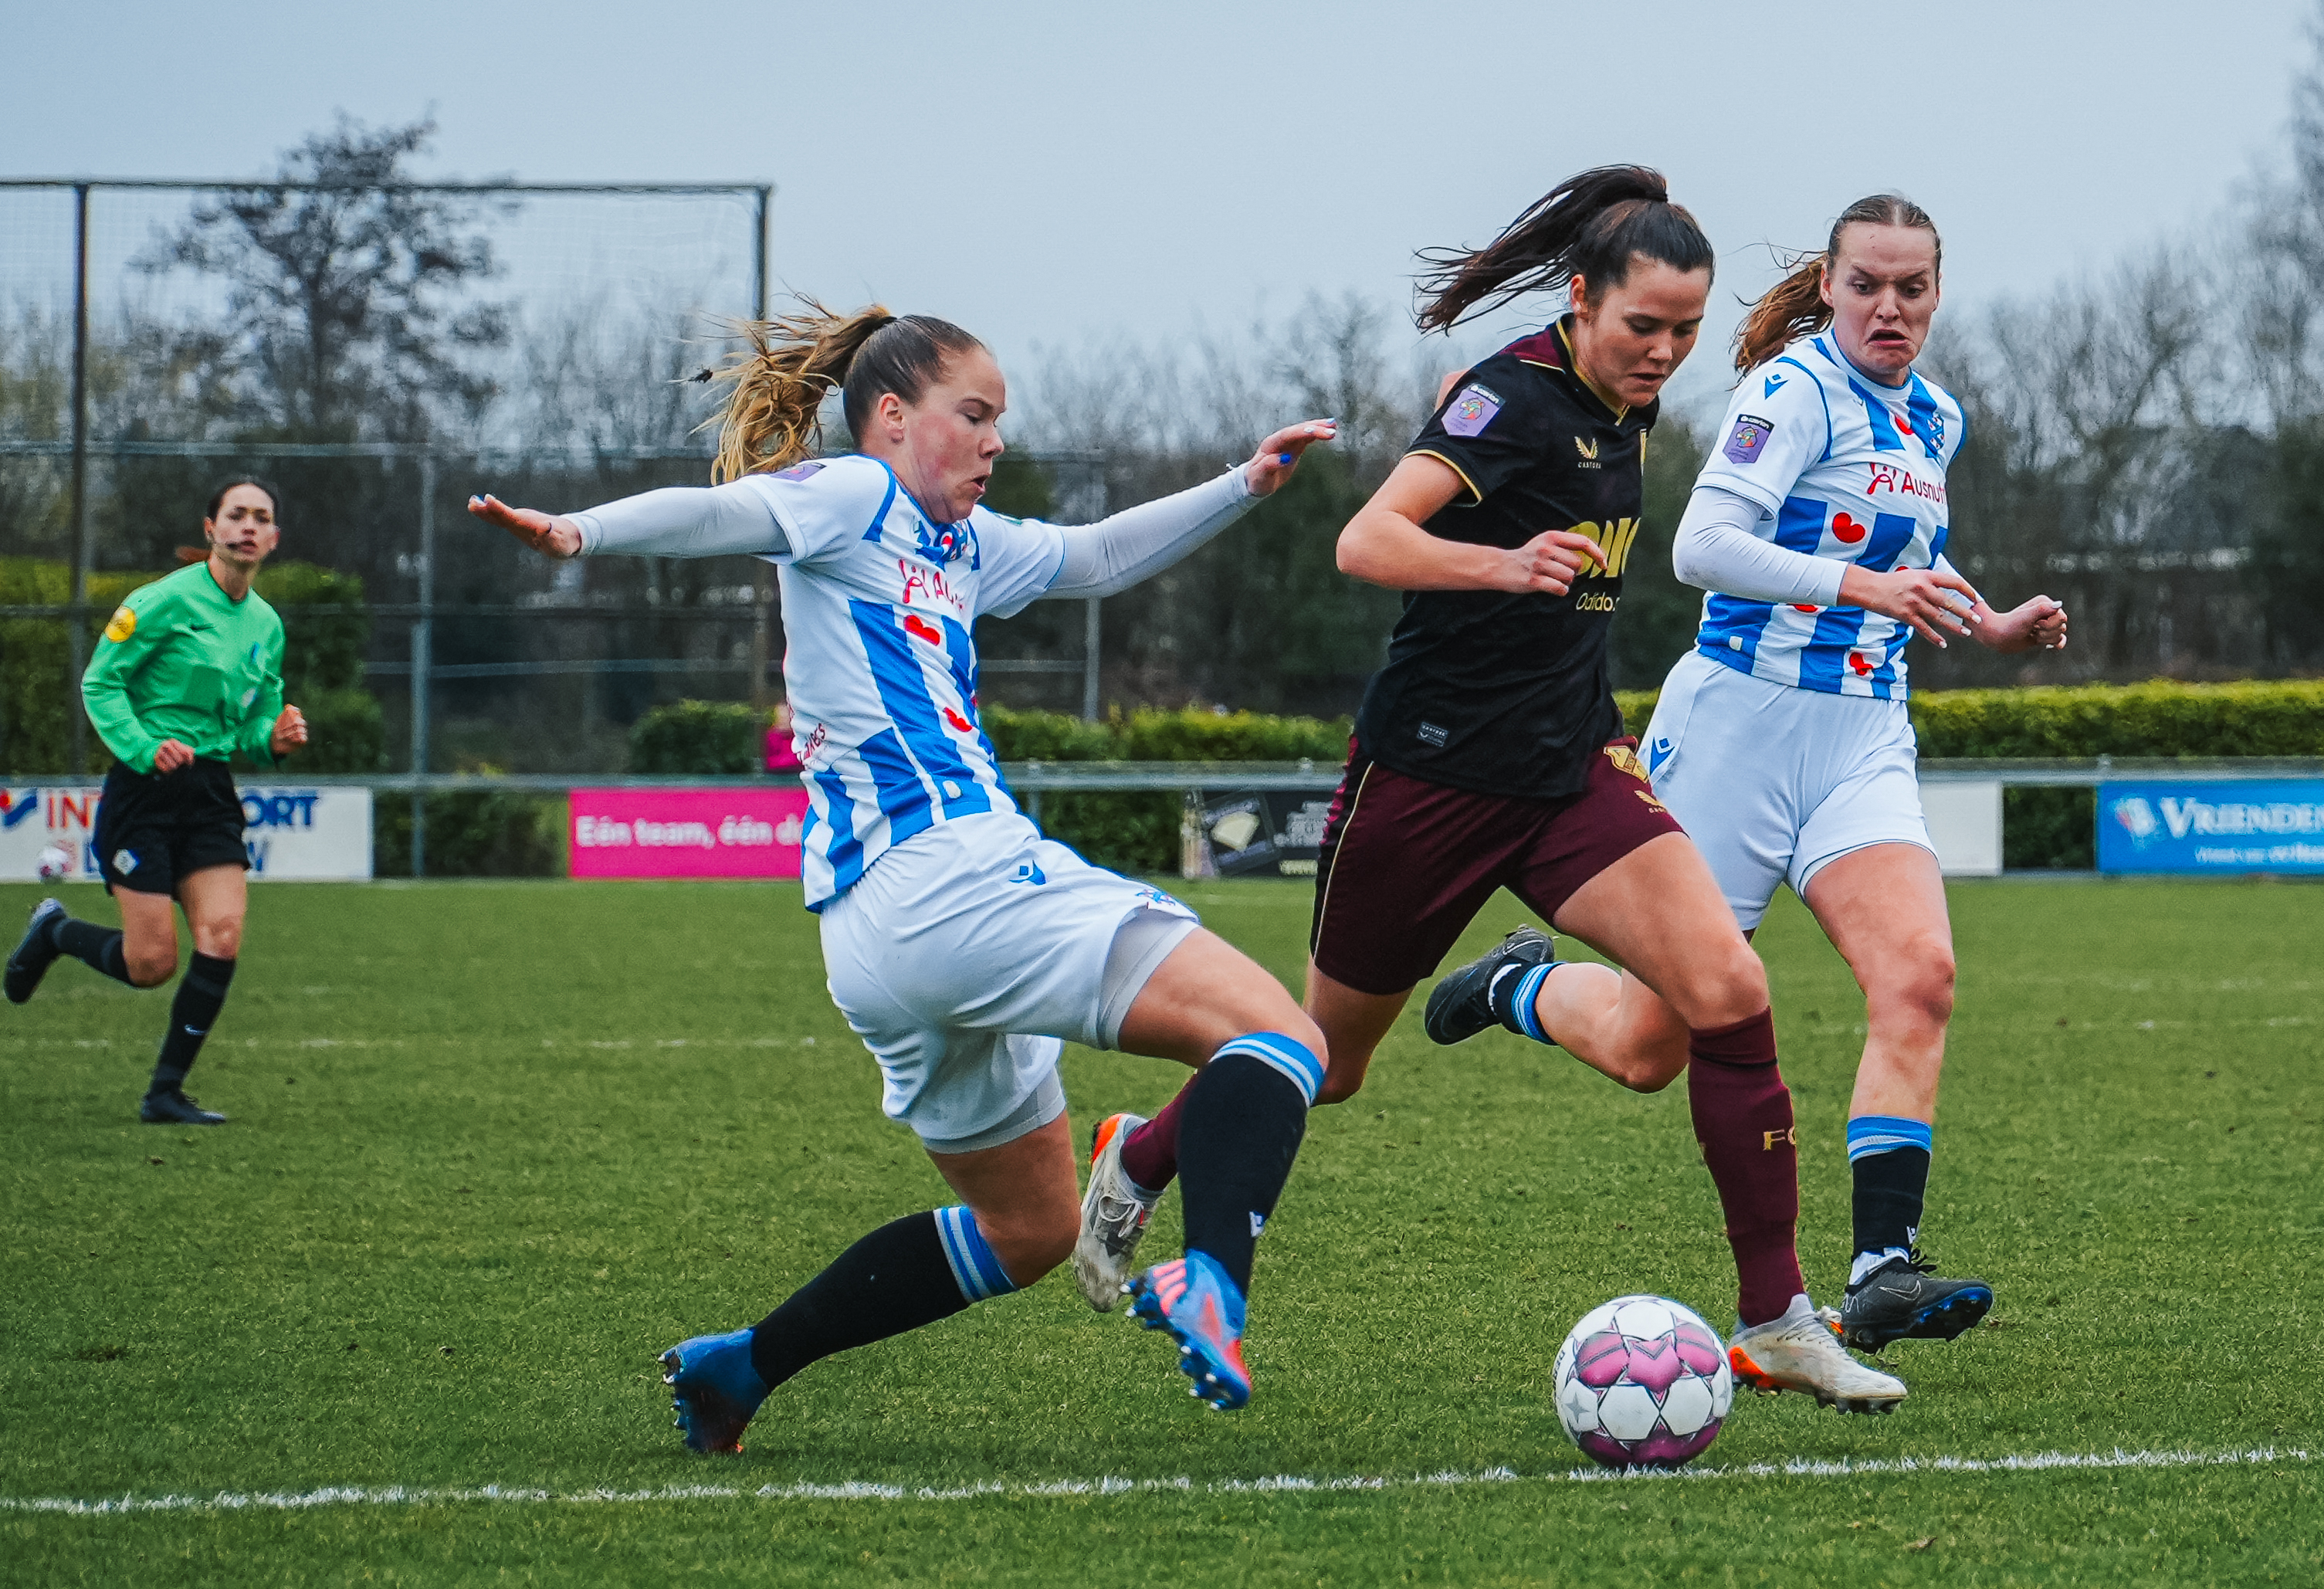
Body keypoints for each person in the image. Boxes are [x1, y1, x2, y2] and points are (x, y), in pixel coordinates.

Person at [1076, 167, 1906, 1415]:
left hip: (1569, 768)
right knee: (1321, 1061)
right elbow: (1369, 539)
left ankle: (1776, 1317)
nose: (1664, 353)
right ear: (1580, 300)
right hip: (1426, 778)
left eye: (1685, 330)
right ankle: (1138, 1154)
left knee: (1726, 993)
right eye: (1643, 326)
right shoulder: (1505, 397)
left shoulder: (1624, 409)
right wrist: (1499, 560)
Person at [466, 303, 1341, 1448]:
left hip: (876, 939)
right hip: (953, 876)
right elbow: (722, 511)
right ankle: (1211, 1279)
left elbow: (1093, 555)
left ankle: (741, 1365)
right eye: (972, 416)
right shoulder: (855, 495)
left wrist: (1239, 483)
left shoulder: (959, 546)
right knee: (1280, 1039)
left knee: (1028, 1230)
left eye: (998, 422)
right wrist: (579, 533)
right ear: (891, 417)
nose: (992, 442)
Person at [1642, 193, 2068, 1360]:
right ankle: (1516, 986)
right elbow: (1697, 548)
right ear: (1827, 286)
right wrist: (1859, 593)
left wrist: (1985, 624)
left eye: (1912, 288)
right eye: (1867, 284)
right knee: (1649, 1041)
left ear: (1937, 293)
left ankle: (1880, 1271)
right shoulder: (1787, 393)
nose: (1890, 307)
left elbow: (1906, 555)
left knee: (1919, 974)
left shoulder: (1935, 418)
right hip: (1738, 724)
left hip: (1862, 734)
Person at [6, 476, 310, 1126]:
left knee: (222, 937)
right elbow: (101, 683)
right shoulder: (162, 601)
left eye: (262, 517)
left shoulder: (266, 625)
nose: (248, 526)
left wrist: (276, 737)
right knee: (151, 965)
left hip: (210, 791)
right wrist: (144, 747)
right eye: (237, 515)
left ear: (274, 539)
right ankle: (54, 932)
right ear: (211, 529)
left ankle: (165, 1094)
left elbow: (252, 724)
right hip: (143, 792)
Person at [762, 699, 800, 774]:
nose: (784, 720)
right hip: (777, 777)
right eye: (781, 717)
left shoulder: (799, 735)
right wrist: (795, 758)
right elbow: (771, 763)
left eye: (786, 717)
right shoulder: (772, 736)